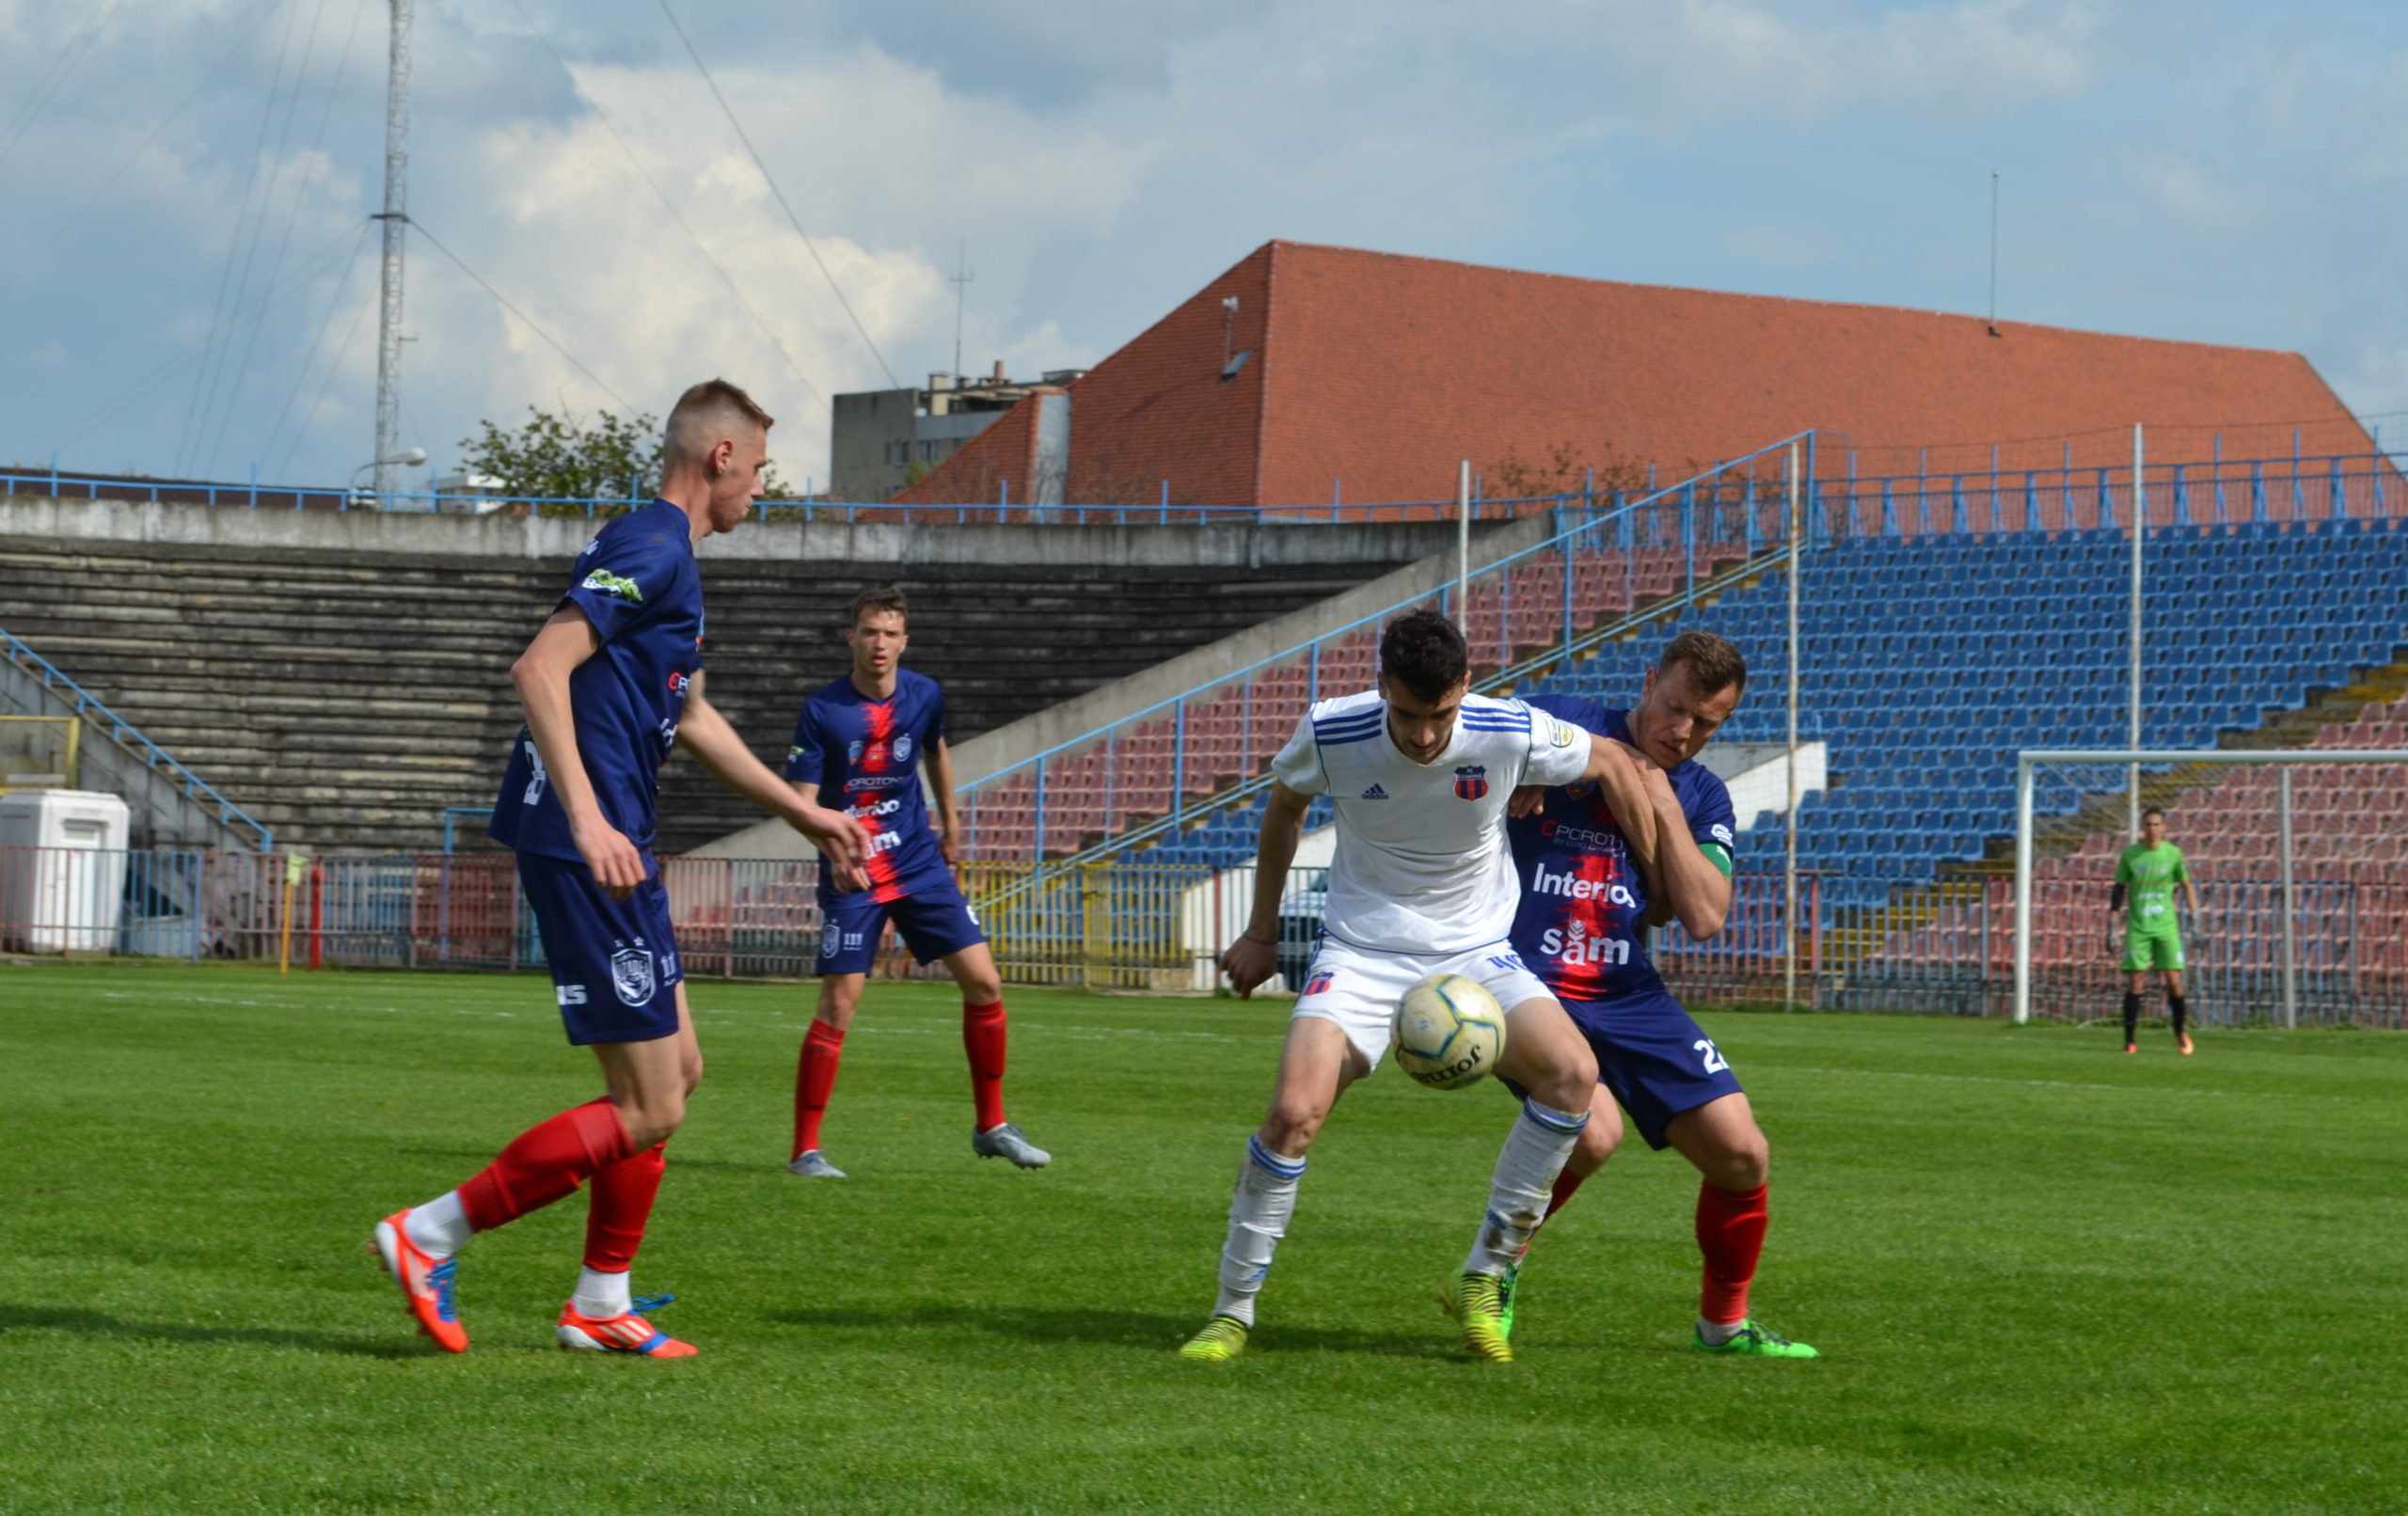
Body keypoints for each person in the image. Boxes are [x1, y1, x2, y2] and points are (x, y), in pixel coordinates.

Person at [369, 380, 868, 1357]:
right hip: (587, 847)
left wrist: (803, 810)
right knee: (648, 1102)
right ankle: (428, 1234)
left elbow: (689, 716)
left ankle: (601, 1301)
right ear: (720, 455)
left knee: (677, 1071)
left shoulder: (665, 555)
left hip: (614, 844)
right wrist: (591, 819)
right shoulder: (651, 547)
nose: (763, 488)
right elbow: (538, 668)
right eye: (760, 468)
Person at [1182, 608, 1657, 1366]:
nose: (1425, 736)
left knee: (1574, 1076)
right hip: (1361, 952)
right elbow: (1284, 806)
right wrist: (1262, 932)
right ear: (1381, 688)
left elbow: (1611, 760)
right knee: (1292, 1114)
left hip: (1476, 953)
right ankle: (1231, 1312)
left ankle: (1487, 1273)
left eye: (1440, 716)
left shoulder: (1509, 729)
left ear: (1466, 686)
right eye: (1407, 714)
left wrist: (1653, 872)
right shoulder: (1335, 731)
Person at [1491, 630, 1815, 1358]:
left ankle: (1723, 1326)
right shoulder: (1558, 719)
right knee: (1593, 1130)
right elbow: (1459, 739)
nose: (1684, 731)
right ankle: (1492, 1270)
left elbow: (1703, 915)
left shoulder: (1702, 794)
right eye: (1675, 709)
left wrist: (1663, 804)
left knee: (1742, 1155)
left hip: (1624, 989)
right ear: (1648, 681)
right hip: (1523, 979)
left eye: (1708, 723)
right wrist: (1515, 766)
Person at [784, 586, 1048, 1176]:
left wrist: (952, 827)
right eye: (869, 631)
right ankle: (805, 1149)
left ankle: (992, 1126)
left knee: (984, 981)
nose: (879, 643)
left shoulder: (924, 695)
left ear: (905, 641)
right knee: (839, 1004)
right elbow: (799, 801)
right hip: (855, 871)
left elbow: (936, 752)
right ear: (851, 637)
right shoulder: (822, 710)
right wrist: (831, 848)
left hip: (918, 861)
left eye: (890, 632)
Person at [2113, 807, 2200, 1055]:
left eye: (2156, 824)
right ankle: (2129, 1041)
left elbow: (2186, 885)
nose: (2152, 829)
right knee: (2136, 981)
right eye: (2148, 824)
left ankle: (2180, 1033)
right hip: (2138, 927)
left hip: (2166, 927)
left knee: (2173, 980)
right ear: (2143, 827)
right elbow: (2118, 889)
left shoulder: (2172, 854)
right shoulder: (2131, 855)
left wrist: (2195, 920)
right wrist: (2112, 924)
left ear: (2164, 827)